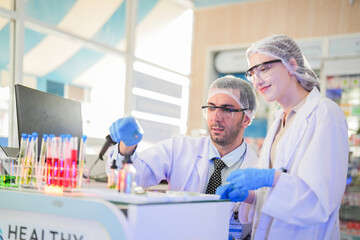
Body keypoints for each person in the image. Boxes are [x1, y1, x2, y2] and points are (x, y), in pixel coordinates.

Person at [216, 34, 349, 240]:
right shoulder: (278, 120)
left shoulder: (325, 113)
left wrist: (269, 178)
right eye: (252, 72)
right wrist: (249, 196)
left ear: (291, 65)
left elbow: (319, 201)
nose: (256, 79)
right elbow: (276, 197)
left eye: (265, 68)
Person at [106, 75, 259, 239]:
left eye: (227, 109)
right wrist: (126, 146)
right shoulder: (179, 148)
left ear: (246, 118)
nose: (216, 117)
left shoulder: (260, 167)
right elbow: (134, 177)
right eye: (211, 107)